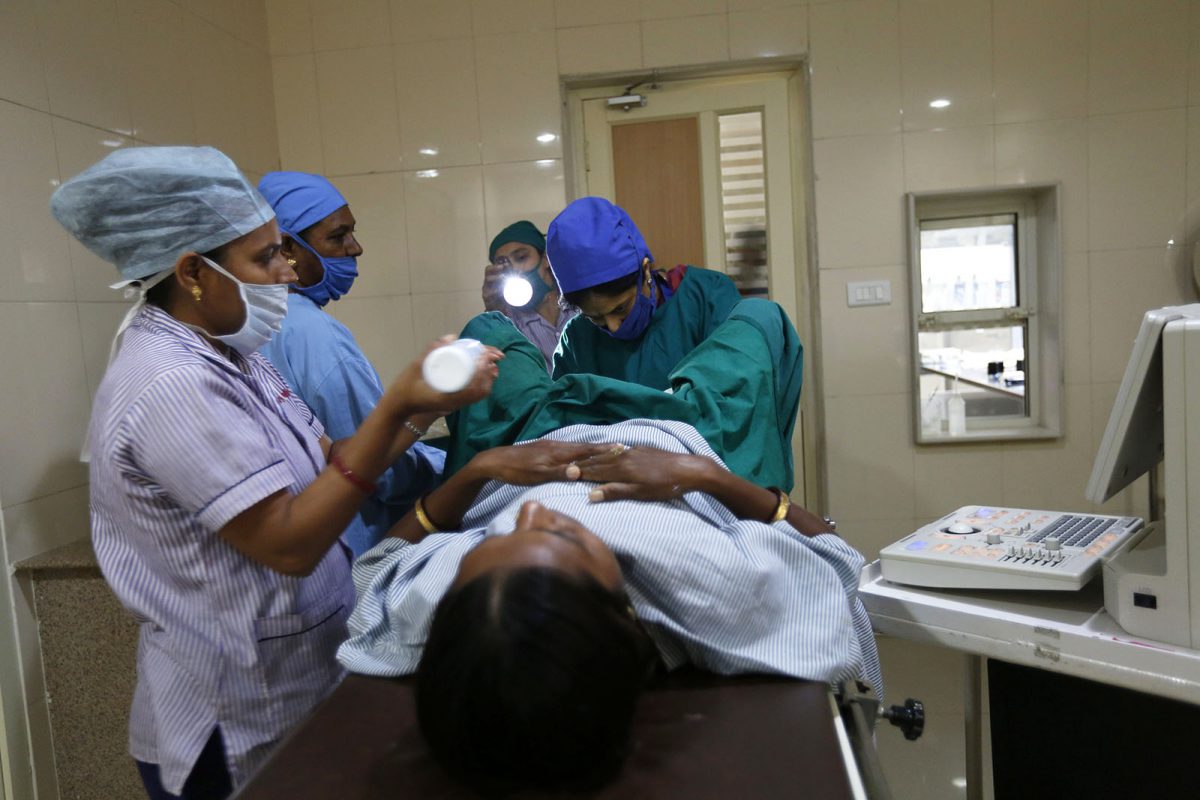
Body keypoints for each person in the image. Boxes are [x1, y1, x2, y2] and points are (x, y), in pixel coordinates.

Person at [50, 146, 501, 800]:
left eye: (283, 252)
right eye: (266, 257)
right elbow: (287, 544)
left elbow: (326, 458)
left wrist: (422, 410)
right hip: (230, 728)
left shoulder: (237, 355)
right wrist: (401, 403)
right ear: (192, 273)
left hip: (297, 692)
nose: (288, 272)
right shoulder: (171, 382)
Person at [338, 418, 881, 796]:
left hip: (527, 441)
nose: (531, 515)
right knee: (755, 327)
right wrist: (706, 476)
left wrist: (477, 470)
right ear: (620, 614)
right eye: (567, 540)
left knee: (493, 339)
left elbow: (380, 563)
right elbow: (835, 558)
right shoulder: (717, 590)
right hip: (664, 429)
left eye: (490, 542)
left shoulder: (440, 599)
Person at [257, 171, 445, 556]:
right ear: (288, 248)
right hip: (352, 550)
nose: (355, 248)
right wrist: (451, 464)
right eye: (338, 236)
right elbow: (382, 469)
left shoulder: (252, 325)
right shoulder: (314, 335)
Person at [546, 196, 744, 390]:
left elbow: (734, 392)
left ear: (646, 270)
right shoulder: (576, 341)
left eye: (620, 307)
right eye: (596, 319)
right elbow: (565, 414)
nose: (613, 327)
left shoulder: (707, 297)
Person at [480, 220, 577, 372]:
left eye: (521, 258)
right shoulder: (507, 323)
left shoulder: (579, 304)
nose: (514, 269)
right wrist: (492, 311)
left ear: (546, 259)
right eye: (502, 263)